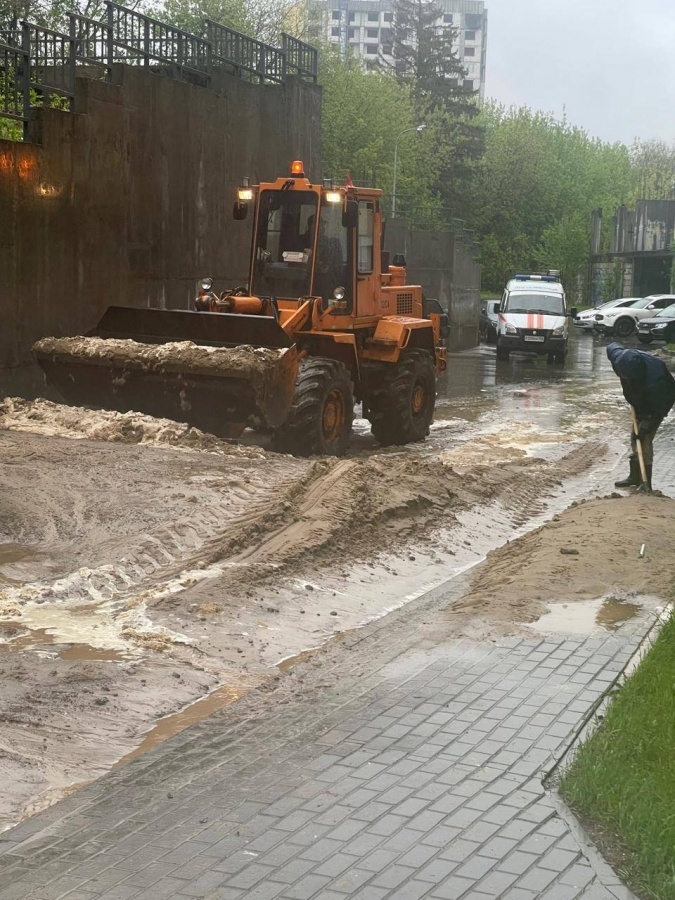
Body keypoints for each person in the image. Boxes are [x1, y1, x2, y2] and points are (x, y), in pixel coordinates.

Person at [607, 341, 675, 491]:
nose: (623, 378)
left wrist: (649, 421)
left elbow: (659, 405)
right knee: (635, 436)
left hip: (658, 404)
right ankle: (635, 476)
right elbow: (612, 346)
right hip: (640, 400)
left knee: (644, 438)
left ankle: (646, 482)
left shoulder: (655, 381)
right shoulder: (620, 359)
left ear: (636, 373)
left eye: (626, 376)